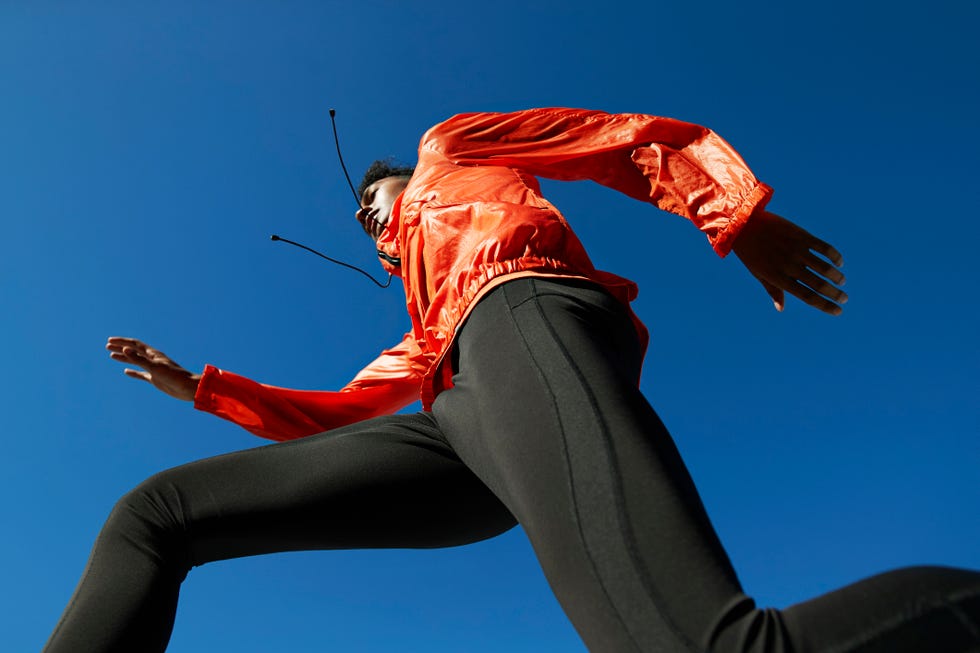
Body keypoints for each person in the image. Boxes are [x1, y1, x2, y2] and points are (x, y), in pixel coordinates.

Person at [45, 108, 979, 653]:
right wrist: (203, 388)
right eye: (369, 229)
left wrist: (729, 211)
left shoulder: (452, 151)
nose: (379, 228)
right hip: (459, 412)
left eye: (378, 205)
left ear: (405, 182)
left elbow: (618, 138)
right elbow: (333, 414)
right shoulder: (422, 323)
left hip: (524, 317)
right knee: (157, 514)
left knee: (714, 646)